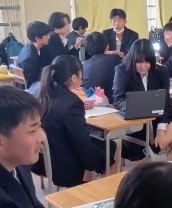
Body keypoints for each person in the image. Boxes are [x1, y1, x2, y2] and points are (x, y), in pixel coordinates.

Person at [36, 55, 116, 186]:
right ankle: (102, 192)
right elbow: (81, 140)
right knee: (111, 146)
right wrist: (91, 164)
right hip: (64, 163)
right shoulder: (72, 102)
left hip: (45, 158)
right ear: (73, 78)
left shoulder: (44, 93)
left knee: (93, 146)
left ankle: (86, 184)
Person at [113, 39, 172, 163]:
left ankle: (154, 149)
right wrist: (135, 107)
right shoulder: (122, 70)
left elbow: (165, 101)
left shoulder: (161, 71)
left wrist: (161, 130)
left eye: (147, 62)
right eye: (139, 62)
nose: (143, 66)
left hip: (159, 116)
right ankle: (164, 168)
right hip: (138, 120)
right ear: (133, 59)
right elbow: (118, 99)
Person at [82, 31, 122, 103]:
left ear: (88, 50)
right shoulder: (114, 58)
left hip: (88, 102)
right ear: (107, 46)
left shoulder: (84, 65)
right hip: (109, 103)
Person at [16, 21, 52, 89]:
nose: (49, 37)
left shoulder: (30, 46)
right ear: (37, 38)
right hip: (33, 89)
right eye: (46, 35)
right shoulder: (29, 58)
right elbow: (31, 84)